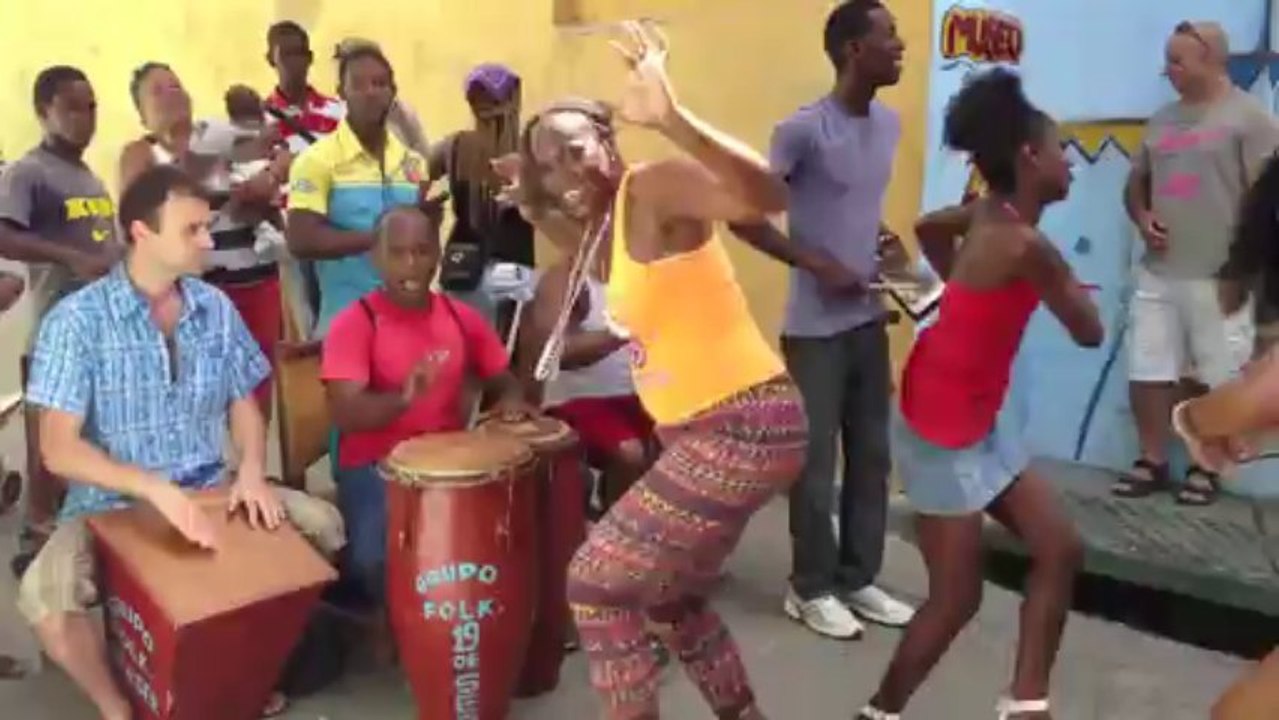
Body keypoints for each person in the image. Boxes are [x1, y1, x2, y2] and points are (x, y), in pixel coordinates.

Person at [495, 22, 808, 719]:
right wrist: (533, 193)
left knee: (595, 585)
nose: (568, 171)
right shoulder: (610, 230)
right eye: (551, 163)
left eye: (576, 149)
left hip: (743, 424)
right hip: (703, 430)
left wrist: (672, 119)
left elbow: (768, 198)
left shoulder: (657, 189)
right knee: (670, 597)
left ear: (608, 142)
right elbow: (572, 233)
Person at [17, 164, 345, 720]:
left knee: (323, 528)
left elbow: (243, 402)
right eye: (192, 230)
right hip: (108, 508)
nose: (208, 242)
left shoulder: (213, 307)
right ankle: (117, 706)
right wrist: (153, 489)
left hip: (211, 487)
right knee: (46, 599)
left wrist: (249, 473)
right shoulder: (76, 322)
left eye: (207, 228)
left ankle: (243, 671)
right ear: (141, 233)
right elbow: (59, 449)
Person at [855, 68, 1100, 720]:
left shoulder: (991, 214)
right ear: (1029, 157)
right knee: (956, 597)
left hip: (973, 412)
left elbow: (928, 227)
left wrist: (953, 293)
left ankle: (1025, 703)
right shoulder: (1024, 245)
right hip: (940, 427)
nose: (1070, 162)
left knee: (1059, 548)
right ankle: (879, 713)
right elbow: (1090, 332)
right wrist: (1057, 286)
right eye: (1060, 149)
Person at [730, 0, 913, 638]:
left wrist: (883, 244)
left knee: (872, 457)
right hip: (814, 329)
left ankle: (857, 579)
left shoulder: (888, 125)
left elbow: (853, 206)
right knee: (813, 465)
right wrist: (815, 262)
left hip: (869, 317)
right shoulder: (802, 131)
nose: (901, 46)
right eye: (889, 36)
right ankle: (809, 587)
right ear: (853, 50)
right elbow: (743, 216)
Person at [321, 203, 530, 605]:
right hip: (375, 466)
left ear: (438, 254)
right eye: (397, 253)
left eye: (422, 251)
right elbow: (346, 415)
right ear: (376, 258)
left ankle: (459, 621)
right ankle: (392, 626)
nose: (411, 265)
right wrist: (402, 400)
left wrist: (509, 405)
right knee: (374, 561)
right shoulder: (355, 323)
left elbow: (504, 380)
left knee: (502, 538)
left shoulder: (462, 317)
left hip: (447, 465)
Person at [1115, 20, 1279, 505]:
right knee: (1147, 367)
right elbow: (1135, 184)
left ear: (1210, 59)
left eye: (1176, 60)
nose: (1167, 70)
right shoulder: (1161, 120)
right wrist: (1142, 216)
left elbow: (1268, 199)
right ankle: (1152, 460)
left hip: (1221, 275)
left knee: (1217, 372)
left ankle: (1205, 466)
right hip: (1159, 270)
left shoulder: (1250, 119)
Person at [0, 65, 121, 577]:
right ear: (42, 111)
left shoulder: (89, 177)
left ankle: (81, 537)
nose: (85, 118)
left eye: (91, 107)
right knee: (50, 443)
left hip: (101, 329)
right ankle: (37, 540)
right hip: (57, 329)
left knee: (91, 439)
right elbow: (5, 235)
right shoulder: (29, 172)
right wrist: (69, 258)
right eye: (72, 107)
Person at [121, 64, 285, 418]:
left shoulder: (216, 144)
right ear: (142, 115)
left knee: (255, 393)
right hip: (191, 294)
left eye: (176, 85)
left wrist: (263, 188)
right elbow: (144, 209)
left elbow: (260, 207)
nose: (171, 95)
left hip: (255, 283)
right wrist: (239, 191)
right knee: (193, 396)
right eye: (157, 91)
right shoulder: (141, 154)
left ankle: (250, 452)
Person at [286, 43, 430, 336]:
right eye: (359, 84)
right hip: (345, 327)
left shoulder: (412, 163)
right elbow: (301, 240)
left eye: (379, 84)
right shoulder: (316, 161)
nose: (370, 93)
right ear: (341, 92)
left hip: (407, 327)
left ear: (393, 92)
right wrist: (378, 240)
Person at [429, 63, 536, 329]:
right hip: (514, 271)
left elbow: (413, 173)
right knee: (506, 349)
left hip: (463, 269)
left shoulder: (454, 147)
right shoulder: (532, 151)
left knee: (460, 346)